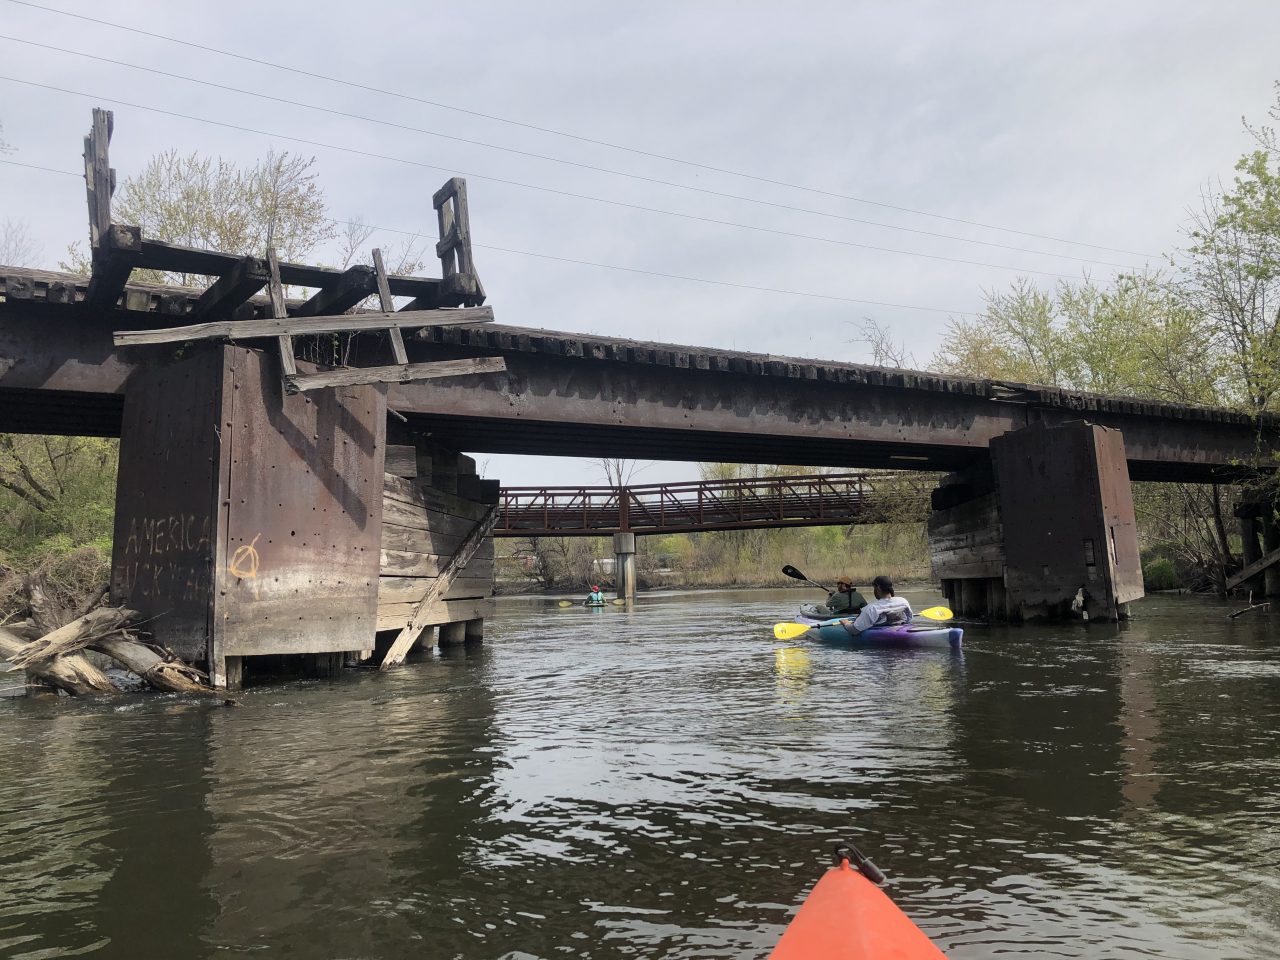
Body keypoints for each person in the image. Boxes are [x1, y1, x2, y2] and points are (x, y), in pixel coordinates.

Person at [842, 575, 912, 634]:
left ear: (878, 587)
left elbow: (854, 630)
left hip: (883, 637)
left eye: (874, 588)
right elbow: (909, 620)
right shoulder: (903, 601)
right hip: (902, 631)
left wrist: (846, 623)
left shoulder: (871, 608)